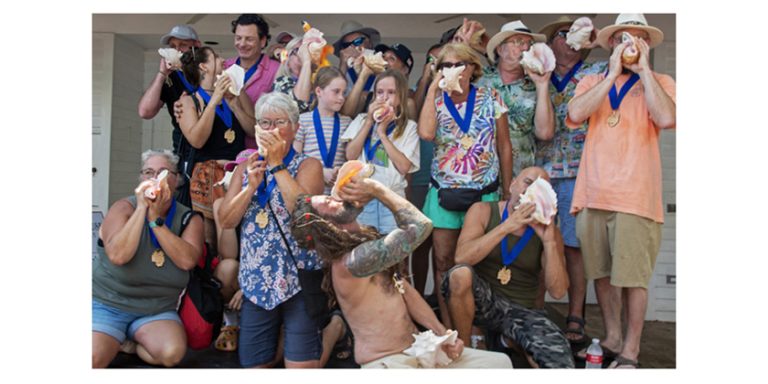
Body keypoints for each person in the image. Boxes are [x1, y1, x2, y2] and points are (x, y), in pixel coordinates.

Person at [290, 178, 512, 368]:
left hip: (416, 351)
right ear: (325, 225)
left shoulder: (362, 248)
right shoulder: (353, 262)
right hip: (386, 362)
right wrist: (376, 189)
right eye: (328, 201)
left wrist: (443, 334)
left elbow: (403, 289)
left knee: (500, 364)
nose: (336, 198)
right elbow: (420, 226)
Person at [566, 13, 675, 369]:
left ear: (645, 44)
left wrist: (644, 70)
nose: (628, 44)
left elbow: (666, 118)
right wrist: (611, 74)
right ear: (612, 44)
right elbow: (576, 113)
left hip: (635, 197)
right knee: (601, 274)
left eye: (636, 38)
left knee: (633, 278)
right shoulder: (592, 81)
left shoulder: (660, 81)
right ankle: (612, 337)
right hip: (593, 194)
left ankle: (632, 349)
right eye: (622, 37)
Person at [217, 92, 325, 368]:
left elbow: (304, 214)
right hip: (257, 283)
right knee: (255, 366)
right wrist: (250, 188)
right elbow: (226, 220)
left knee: (301, 367)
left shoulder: (309, 165)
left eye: (279, 122)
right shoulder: (245, 168)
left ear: (295, 128)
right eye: (265, 123)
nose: (271, 129)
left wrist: (277, 165)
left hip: (298, 280)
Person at [418, 43, 513, 328]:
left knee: (481, 262)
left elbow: (504, 146)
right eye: (445, 65)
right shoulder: (436, 100)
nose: (452, 70)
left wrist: (507, 190)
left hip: (484, 194)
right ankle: (449, 328)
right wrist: (433, 88)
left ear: (472, 68)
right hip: (444, 192)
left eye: (459, 64)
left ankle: (478, 329)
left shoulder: (490, 97)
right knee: (443, 262)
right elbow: (426, 133)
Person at [444, 166, 573, 368]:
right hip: (484, 301)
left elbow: (558, 291)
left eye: (541, 189)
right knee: (460, 274)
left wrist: (549, 242)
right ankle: (466, 352)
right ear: (512, 185)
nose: (532, 191)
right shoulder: (482, 210)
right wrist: (507, 226)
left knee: (556, 359)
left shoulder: (550, 231)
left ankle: (505, 340)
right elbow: (462, 257)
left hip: (521, 309)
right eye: (528, 183)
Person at [92, 149, 204, 368]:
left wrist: (155, 219)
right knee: (93, 359)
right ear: (141, 178)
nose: (154, 178)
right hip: (109, 303)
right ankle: (113, 338)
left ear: (176, 180)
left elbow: (186, 261)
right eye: (148, 172)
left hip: (156, 308)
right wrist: (142, 208)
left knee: (171, 354)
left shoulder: (188, 218)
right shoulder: (123, 208)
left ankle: (130, 344)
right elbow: (118, 255)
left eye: (162, 172)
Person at [535, 15, 607, 347]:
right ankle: (535, 311)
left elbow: (625, 62)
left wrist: (595, 39)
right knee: (538, 244)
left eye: (576, 34)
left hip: (580, 173)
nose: (570, 39)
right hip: (539, 171)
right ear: (551, 43)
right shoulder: (537, 73)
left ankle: (575, 313)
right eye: (564, 34)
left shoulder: (596, 72)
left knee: (574, 248)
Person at [176, 45, 253, 252]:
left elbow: (252, 130)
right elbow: (197, 140)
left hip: (237, 174)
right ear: (204, 66)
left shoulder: (237, 90)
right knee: (209, 240)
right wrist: (214, 102)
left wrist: (234, 105)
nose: (223, 60)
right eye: (216, 57)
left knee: (237, 232)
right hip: (206, 178)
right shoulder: (188, 101)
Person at [342, 69, 420, 234]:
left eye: (391, 92)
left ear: (400, 96)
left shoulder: (409, 127)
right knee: (362, 244)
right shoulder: (361, 120)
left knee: (393, 246)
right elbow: (350, 155)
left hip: (391, 197)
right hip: (361, 197)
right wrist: (369, 122)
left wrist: (382, 134)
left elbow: (404, 167)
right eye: (379, 92)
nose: (384, 97)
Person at [479, 20, 555, 177]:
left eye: (529, 44)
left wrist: (542, 85)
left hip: (519, 173)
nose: (525, 48)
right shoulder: (478, 79)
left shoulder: (538, 85)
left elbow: (545, 133)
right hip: (480, 172)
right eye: (518, 42)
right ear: (500, 49)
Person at [137, 24, 202, 205]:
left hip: (211, 148)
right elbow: (145, 111)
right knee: (181, 200)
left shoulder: (208, 70)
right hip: (183, 148)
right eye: (173, 46)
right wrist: (161, 73)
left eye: (183, 45)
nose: (177, 50)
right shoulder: (170, 77)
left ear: (196, 46)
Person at [225, 14, 280, 148]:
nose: (242, 44)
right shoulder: (225, 67)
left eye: (249, 39)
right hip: (225, 149)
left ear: (263, 41)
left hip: (259, 150)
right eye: (238, 38)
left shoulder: (276, 70)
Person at [295, 66, 352, 194]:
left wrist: (342, 172)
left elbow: (350, 158)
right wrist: (321, 172)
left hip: (338, 193)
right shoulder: (303, 120)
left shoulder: (347, 122)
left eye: (344, 93)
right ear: (319, 91)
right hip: (309, 190)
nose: (341, 97)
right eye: (336, 92)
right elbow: (295, 158)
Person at [333, 20, 381, 96]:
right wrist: (343, 65)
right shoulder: (345, 72)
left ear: (370, 44)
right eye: (347, 45)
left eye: (357, 41)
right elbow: (335, 96)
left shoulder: (384, 68)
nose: (353, 47)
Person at [272, 36, 315, 113]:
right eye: (298, 50)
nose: (304, 53)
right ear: (287, 59)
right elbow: (300, 103)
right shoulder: (281, 82)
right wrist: (306, 62)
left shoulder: (317, 81)